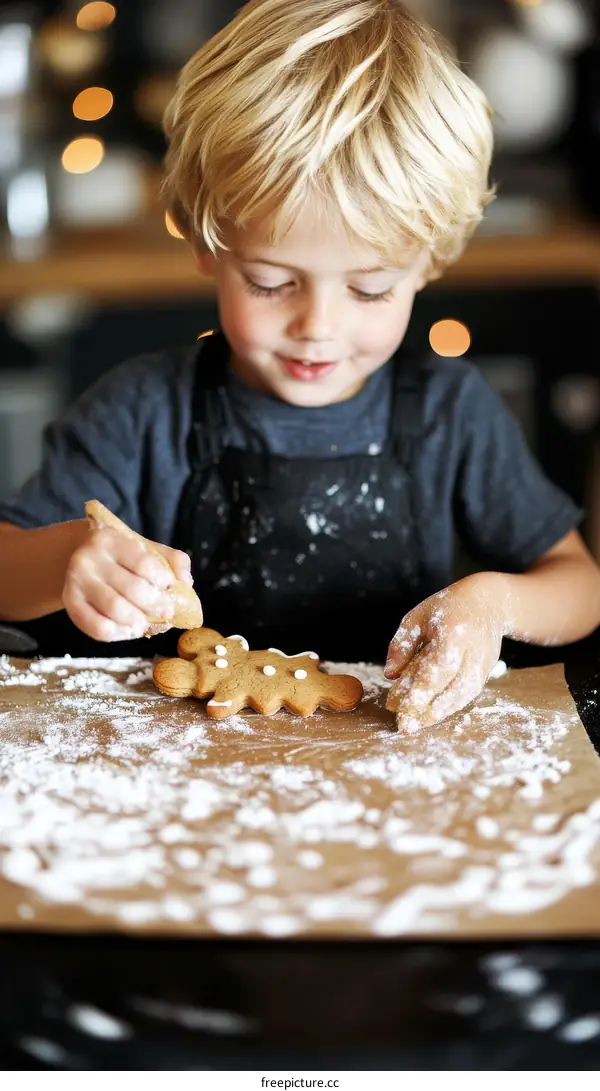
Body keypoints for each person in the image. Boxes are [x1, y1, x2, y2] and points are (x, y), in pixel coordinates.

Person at [1, 0, 599, 730]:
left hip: (386, 776)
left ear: (429, 263)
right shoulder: (141, 410)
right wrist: (71, 557)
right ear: (206, 241)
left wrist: (493, 602)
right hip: (183, 783)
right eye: (270, 282)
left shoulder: (449, 410)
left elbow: (581, 586)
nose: (318, 326)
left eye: (369, 288)